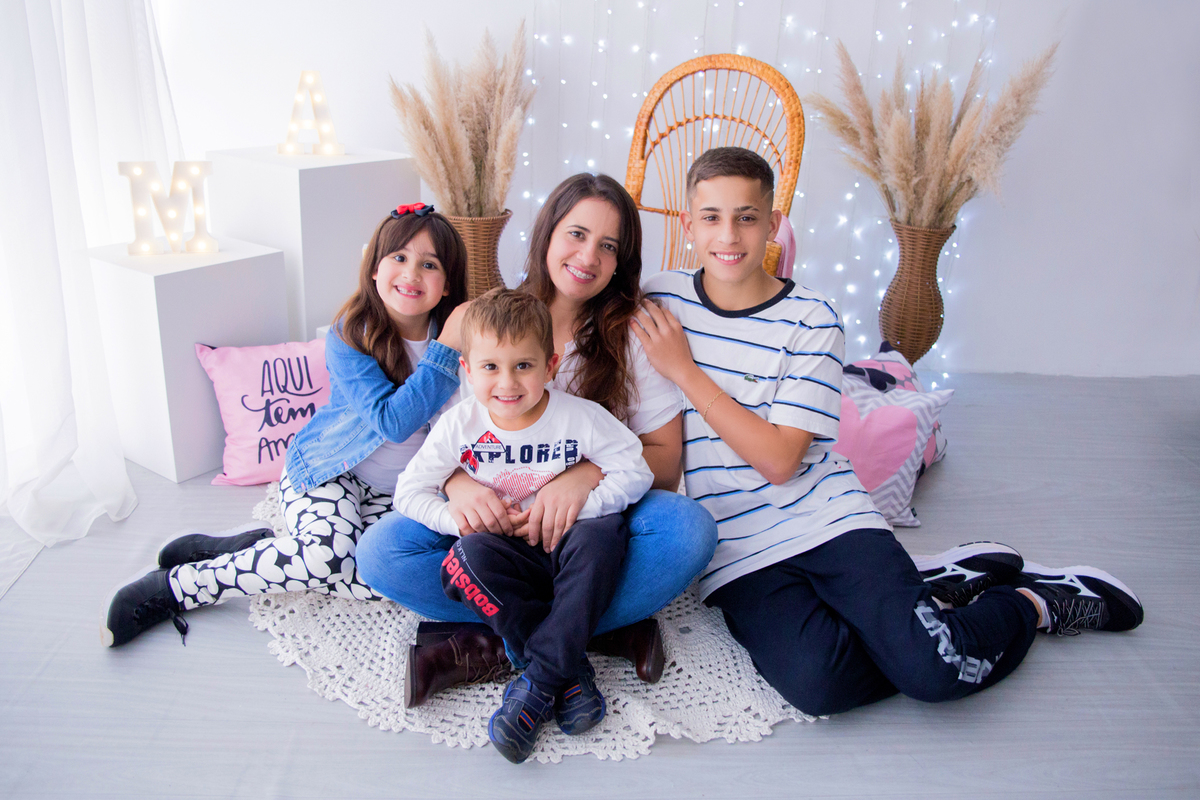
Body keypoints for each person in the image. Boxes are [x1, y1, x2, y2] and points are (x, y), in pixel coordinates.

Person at [632, 147, 1144, 715]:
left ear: (774, 223)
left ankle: (1035, 602)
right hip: (738, 549)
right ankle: (935, 589)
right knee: (818, 688)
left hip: (826, 518)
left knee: (936, 673)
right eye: (711, 217)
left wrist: (685, 371)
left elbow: (779, 461)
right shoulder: (662, 300)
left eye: (746, 217)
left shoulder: (812, 319)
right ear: (688, 225)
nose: (728, 234)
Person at [356, 174, 719, 699]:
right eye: (576, 233)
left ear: (621, 262)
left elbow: (665, 464)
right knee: (382, 551)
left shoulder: (632, 333)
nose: (588, 256)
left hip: (588, 531)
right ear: (547, 233)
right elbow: (449, 439)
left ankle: (492, 645)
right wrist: (459, 488)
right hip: (496, 530)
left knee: (688, 531)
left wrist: (582, 478)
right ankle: (590, 635)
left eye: (608, 246)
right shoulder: (485, 319)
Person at [102, 203, 470, 647]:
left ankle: (252, 548)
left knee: (389, 579)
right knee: (325, 559)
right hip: (331, 471)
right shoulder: (351, 334)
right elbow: (393, 422)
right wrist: (445, 351)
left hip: (401, 491)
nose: (411, 273)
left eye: (429, 264)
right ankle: (182, 585)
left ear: (447, 282)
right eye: (399, 258)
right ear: (374, 269)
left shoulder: (460, 336)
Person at [395, 288, 653, 763]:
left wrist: (584, 508)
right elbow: (408, 493)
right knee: (465, 560)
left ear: (550, 366)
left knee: (602, 535)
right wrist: (456, 518)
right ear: (467, 371)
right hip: (508, 553)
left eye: (524, 366)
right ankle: (570, 670)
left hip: (569, 544)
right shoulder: (458, 426)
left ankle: (537, 682)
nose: (507, 382)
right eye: (491, 367)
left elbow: (637, 470)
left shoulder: (580, 418)